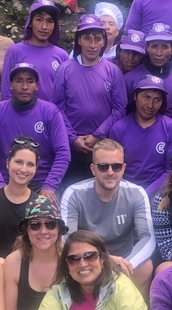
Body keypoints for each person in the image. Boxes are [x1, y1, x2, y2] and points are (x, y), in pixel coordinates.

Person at [60, 140, 155, 292]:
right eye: (103, 167)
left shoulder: (136, 193)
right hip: (86, 259)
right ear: (93, 169)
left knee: (145, 266)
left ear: (123, 169)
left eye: (116, 166)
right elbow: (65, 238)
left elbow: (148, 237)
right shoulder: (74, 194)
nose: (110, 172)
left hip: (124, 260)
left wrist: (125, 264)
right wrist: (103, 260)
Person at [54, 14, 127, 184]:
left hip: (103, 145)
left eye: (97, 39)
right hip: (70, 145)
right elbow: (58, 107)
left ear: (104, 41)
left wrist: (97, 135)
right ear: (79, 40)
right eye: (87, 38)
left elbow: (119, 109)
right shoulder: (65, 69)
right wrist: (73, 138)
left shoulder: (113, 71)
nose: (92, 45)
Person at [0, 63, 71, 195]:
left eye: (30, 81)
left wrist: (50, 185)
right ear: (10, 84)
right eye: (19, 81)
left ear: (37, 85)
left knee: (51, 212)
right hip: (5, 180)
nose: (24, 87)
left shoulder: (50, 112)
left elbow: (63, 153)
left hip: (41, 182)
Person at [107, 75, 172, 195]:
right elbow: (113, 168)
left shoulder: (171, 129)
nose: (150, 105)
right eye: (146, 97)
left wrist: (145, 194)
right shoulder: (119, 128)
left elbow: (171, 170)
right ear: (135, 96)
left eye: (157, 100)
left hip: (160, 193)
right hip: (124, 191)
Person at [0, 138, 40, 259]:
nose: (23, 169)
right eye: (18, 162)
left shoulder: (39, 202)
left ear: (36, 168)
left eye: (30, 164)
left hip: (25, 270)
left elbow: (39, 250)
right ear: (7, 163)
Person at [0, 0, 69, 102]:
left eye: (50, 21)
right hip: (21, 115)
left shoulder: (62, 56)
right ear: (30, 22)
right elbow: (6, 91)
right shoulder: (14, 52)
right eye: (39, 19)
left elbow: (66, 93)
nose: (44, 27)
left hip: (52, 116)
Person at [124, 23, 172, 121]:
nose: (159, 53)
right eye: (154, 46)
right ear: (147, 48)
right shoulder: (129, 79)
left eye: (165, 47)